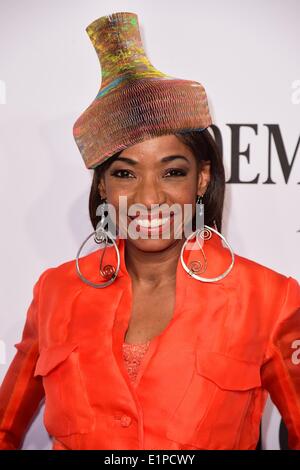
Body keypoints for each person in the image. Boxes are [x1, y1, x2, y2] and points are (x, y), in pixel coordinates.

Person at [0, 11, 299, 451]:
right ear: (102, 186)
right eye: (124, 174)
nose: (149, 197)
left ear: (201, 178)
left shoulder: (270, 299)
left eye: (172, 171)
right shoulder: (55, 292)